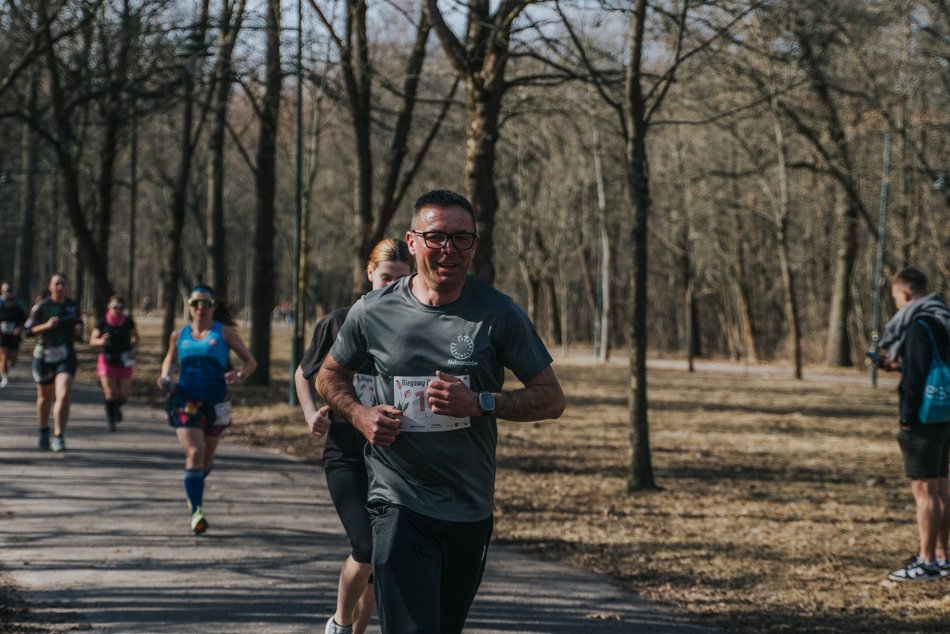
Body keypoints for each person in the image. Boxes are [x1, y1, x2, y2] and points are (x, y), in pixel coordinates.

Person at [316, 189, 565, 634]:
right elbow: (329, 375)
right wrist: (360, 416)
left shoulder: (497, 313)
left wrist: (482, 402)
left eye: (461, 239)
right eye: (437, 238)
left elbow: (551, 397)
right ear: (412, 242)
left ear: (475, 244)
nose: (449, 249)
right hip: (397, 500)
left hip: (468, 507)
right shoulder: (373, 311)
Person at [295, 238, 412, 634]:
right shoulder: (341, 321)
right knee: (366, 547)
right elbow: (304, 371)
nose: (392, 287)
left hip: (394, 458)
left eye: (401, 279)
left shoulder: (413, 327)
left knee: (384, 560)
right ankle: (338, 625)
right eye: (385, 278)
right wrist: (312, 412)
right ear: (369, 274)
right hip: (346, 454)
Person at [158, 285, 257, 535]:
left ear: (213, 308)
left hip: (216, 401)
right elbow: (170, 359)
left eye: (206, 304)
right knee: (195, 451)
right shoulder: (179, 335)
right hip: (186, 399)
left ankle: (194, 487)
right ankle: (197, 512)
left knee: (206, 459)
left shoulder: (223, 333)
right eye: (195, 303)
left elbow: (251, 361)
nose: (200, 309)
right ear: (188, 307)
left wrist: (239, 374)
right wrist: (165, 376)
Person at [873, 267, 950, 582]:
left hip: (924, 415)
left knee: (924, 490)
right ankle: (944, 556)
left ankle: (927, 560)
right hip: (946, 413)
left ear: (905, 294)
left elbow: (916, 377)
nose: (896, 304)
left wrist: (906, 417)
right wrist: (900, 366)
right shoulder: (944, 319)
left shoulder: (917, 324)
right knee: (942, 487)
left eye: (895, 298)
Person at [24, 273, 83, 452]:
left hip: (66, 355)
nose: (60, 287)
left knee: (63, 393)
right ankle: (43, 430)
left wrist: (78, 330)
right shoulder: (41, 307)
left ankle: (59, 436)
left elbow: (80, 330)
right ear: (50, 287)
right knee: (44, 396)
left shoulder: (72, 306)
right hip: (44, 356)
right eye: (57, 284)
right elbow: (28, 331)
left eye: (63, 284)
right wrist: (46, 326)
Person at [89, 295, 139, 431]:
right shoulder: (102, 322)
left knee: (123, 394)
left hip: (124, 359)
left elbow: (136, 336)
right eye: (114, 307)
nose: (117, 310)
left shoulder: (128, 322)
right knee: (110, 393)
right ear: (108, 308)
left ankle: (116, 407)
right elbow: (92, 340)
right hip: (107, 359)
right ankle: (111, 421)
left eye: (120, 308)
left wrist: (134, 345)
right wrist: (101, 341)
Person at [0, 281, 28, 388]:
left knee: (13, 358)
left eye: (10, 291)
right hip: (2, 336)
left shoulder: (18, 306)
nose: (8, 293)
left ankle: (6, 367)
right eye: (6, 291)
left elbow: (24, 320)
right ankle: (4, 378)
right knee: (4, 356)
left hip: (14, 336)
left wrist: (19, 328)